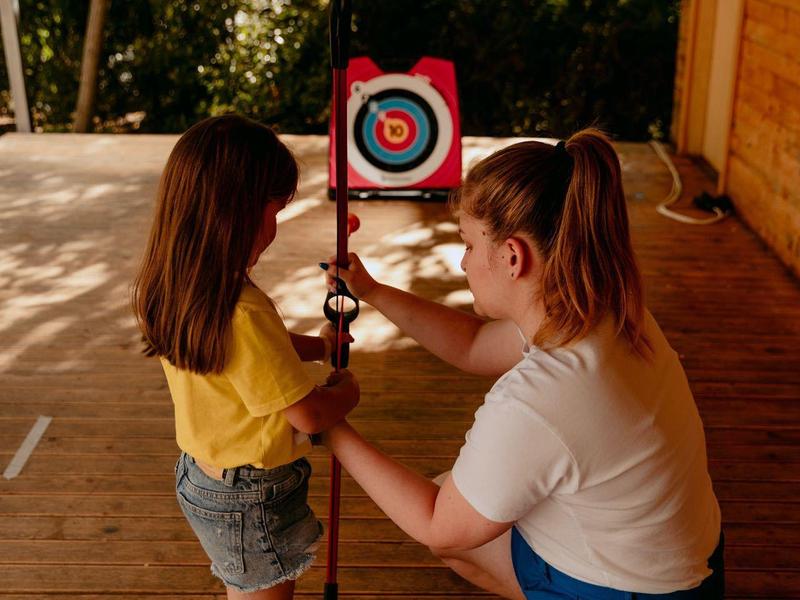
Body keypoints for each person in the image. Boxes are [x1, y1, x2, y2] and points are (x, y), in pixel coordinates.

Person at [321, 129, 724, 598]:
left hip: (634, 591)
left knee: (451, 514)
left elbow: (439, 525)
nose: (463, 264)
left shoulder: (543, 396)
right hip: (686, 566)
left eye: (469, 245)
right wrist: (370, 291)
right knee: (459, 491)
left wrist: (333, 429)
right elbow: (473, 345)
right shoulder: (604, 307)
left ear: (512, 256)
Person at [131, 115, 360, 600]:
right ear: (236, 211)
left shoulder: (179, 284)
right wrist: (347, 390)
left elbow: (254, 353)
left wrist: (321, 347)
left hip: (203, 474)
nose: (275, 227)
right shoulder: (242, 309)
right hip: (253, 494)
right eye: (273, 210)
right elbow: (310, 413)